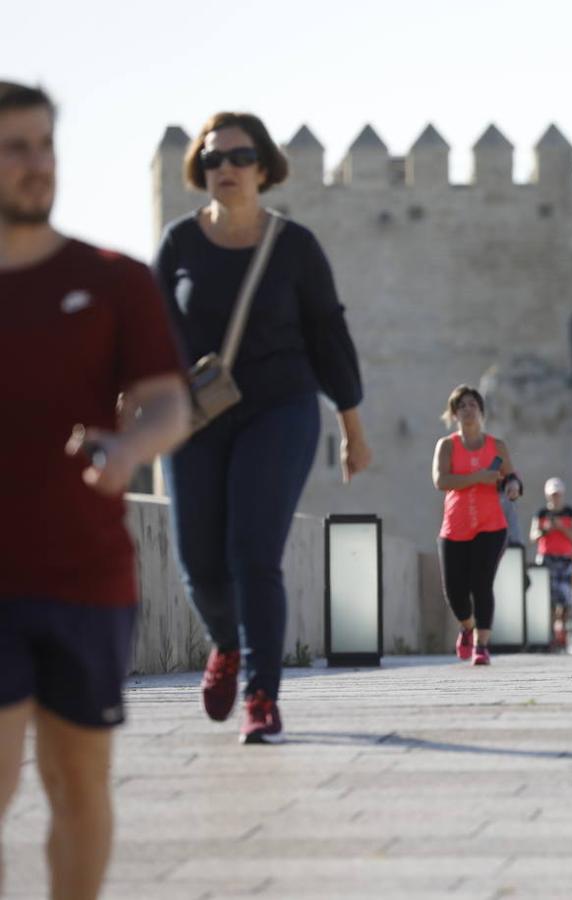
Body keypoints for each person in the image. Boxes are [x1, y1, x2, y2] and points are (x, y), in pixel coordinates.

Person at [0, 81, 191, 898]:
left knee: (79, 786)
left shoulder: (112, 280)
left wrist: (130, 445)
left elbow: (166, 400)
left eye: (44, 145)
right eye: (15, 148)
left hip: (86, 576)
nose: (37, 165)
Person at [154, 111, 371, 743]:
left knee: (253, 553)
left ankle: (261, 695)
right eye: (214, 158)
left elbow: (329, 336)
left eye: (240, 157)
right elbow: (148, 332)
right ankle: (225, 642)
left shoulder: (294, 246)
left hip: (281, 409)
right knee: (198, 561)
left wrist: (352, 426)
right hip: (196, 416)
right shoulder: (177, 245)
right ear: (200, 169)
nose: (226, 168)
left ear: (264, 167)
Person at [433, 385, 520, 666]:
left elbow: (510, 476)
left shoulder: (497, 446)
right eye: (461, 406)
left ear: (481, 412)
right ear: (454, 414)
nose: (467, 410)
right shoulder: (447, 446)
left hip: (491, 525)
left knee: (482, 584)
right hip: (454, 527)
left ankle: (482, 646)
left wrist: (514, 486)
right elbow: (441, 481)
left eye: (472, 405)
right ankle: (467, 626)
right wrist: (479, 477)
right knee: (455, 592)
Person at [530, 478, 572, 651]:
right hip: (546, 558)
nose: (555, 498)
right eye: (552, 495)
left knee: (564, 599)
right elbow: (533, 535)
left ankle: (561, 633)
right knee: (547, 599)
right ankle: (548, 635)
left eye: (558, 495)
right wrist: (546, 529)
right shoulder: (541, 514)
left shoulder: (569, 513)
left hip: (564, 559)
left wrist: (560, 528)